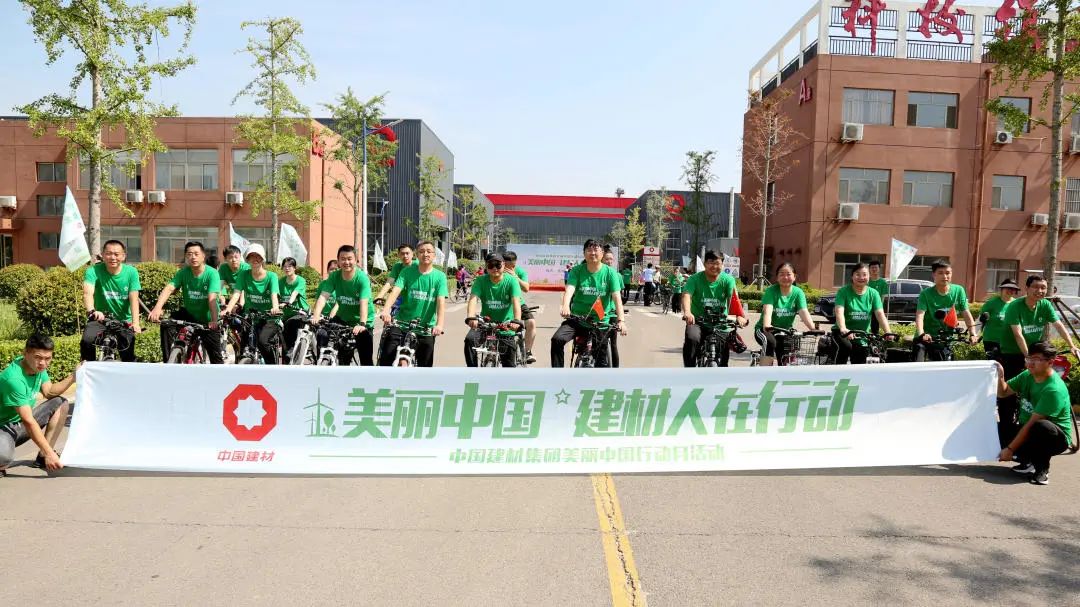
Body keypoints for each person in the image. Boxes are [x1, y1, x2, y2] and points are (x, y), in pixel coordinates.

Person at [995, 342, 1076, 485]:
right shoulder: (1027, 375)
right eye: (1029, 358)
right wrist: (1000, 376)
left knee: (1040, 427)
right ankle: (1027, 460)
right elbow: (1003, 393)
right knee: (996, 429)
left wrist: (1010, 449)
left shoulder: (1053, 389)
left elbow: (1031, 424)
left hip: (1055, 438)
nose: (1030, 363)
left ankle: (1042, 470)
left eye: (1036, 359)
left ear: (1050, 362)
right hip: (1029, 429)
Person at [0, 335, 77, 476]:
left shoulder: (37, 368)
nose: (42, 363)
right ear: (25, 353)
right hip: (3, 427)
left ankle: (42, 457)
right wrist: (50, 453)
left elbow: (49, 392)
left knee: (60, 403)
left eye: (47, 358)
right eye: (38, 357)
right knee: (3, 457)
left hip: (18, 424)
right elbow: (28, 421)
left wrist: (73, 377)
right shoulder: (14, 379)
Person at [551, 239, 626, 368]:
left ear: (602, 253)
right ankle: (558, 374)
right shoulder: (577, 271)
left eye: (596, 250)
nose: (592, 253)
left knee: (601, 362)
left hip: (600, 322)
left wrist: (621, 321)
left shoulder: (610, 273)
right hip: (578, 320)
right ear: (584, 253)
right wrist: (565, 306)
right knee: (557, 340)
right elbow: (570, 289)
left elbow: (616, 298)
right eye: (589, 250)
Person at [149, 241, 223, 364]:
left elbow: (212, 298)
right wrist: (157, 308)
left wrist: (214, 321)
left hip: (208, 319)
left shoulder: (212, 273)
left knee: (216, 360)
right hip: (189, 315)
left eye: (196, 254)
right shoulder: (183, 272)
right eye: (189, 254)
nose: (193, 257)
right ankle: (169, 362)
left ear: (203, 256)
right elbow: (169, 288)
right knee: (166, 324)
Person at [378, 241, 447, 367]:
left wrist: (439, 325)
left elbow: (440, 301)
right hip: (402, 323)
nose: (425, 254)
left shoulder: (440, 277)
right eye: (421, 251)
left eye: (429, 251)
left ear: (434, 255)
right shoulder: (407, 272)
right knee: (386, 358)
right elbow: (395, 291)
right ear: (417, 254)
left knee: (425, 367)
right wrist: (386, 310)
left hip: (425, 328)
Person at [312, 245, 375, 366]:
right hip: (343, 318)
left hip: (362, 321)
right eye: (343, 259)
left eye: (349, 259)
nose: (346, 262)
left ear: (356, 260)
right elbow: (323, 296)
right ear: (338, 261)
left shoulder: (362, 278)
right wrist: (316, 315)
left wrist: (362, 324)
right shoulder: (334, 276)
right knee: (323, 334)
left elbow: (364, 303)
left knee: (366, 360)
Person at [80, 239, 141, 362]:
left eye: (116, 254)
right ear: (103, 255)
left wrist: (136, 323)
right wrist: (92, 311)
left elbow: (134, 299)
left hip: (124, 321)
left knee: (128, 355)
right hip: (100, 319)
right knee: (86, 341)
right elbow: (87, 293)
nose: (113, 257)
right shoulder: (93, 271)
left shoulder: (131, 272)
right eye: (108, 254)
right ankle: (90, 368)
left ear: (123, 256)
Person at [223, 244, 282, 365]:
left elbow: (274, 295)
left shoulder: (272, 276)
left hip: (269, 317)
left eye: (258, 256)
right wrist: (228, 309)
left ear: (263, 258)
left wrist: (275, 308)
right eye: (251, 256)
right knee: (244, 348)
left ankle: (273, 368)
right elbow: (236, 294)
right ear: (247, 259)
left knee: (262, 342)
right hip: (251, 316)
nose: (255, 259)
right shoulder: (243, 274)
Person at [681, 250, 738, 367]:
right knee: (692, 338)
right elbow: (687, 295)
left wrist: (738, 316)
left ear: (722, 265)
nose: (714, 266)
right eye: (711, 262)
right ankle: (688, 372)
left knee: (724, 355)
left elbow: (733, 299)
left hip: (720, 322)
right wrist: (687, 312)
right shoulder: (694, 279)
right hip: (698, 321)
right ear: (705, 263)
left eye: (718, 263)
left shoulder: (728, 280)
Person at [913, 260, 978, 361]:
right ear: (934, 275)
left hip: (946, 339)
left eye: (948, 273)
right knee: (918, 360)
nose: (945, 276)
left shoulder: (959, 290)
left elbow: (966, 313)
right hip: (926, 337)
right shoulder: (925, 294)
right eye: (940, 273)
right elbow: (920, 315)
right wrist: (922, 334)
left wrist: (973, 334)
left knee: (946, 365)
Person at [464, 254, 522, 367]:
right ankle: (472, 372)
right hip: (485, 324)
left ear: (504, 265)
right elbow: (473, 299)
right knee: (469, 340)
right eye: (491, 265)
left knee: (509, 367)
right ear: (486, 266)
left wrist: (516, 320)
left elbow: (516, 302)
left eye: (498, 265)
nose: (494, 268)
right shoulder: (480, 280)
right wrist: (471, 317)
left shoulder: (512, 281)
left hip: (506, 326)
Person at [754, 262, 816, 366]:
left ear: (794, 277)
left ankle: (782, 374)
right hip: (764, 330)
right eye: (781, 274)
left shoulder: (798, 292)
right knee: (770, 342)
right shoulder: (771, 291)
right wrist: (767, 326)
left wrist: (813, 328)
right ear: (777, 277)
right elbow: (768, 311)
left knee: (785, 356)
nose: (785, 277)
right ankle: (764, 371)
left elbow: (803, 312)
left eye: (788, 274)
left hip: (785, 331)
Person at [832, 263, 893, 364]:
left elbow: (880, 314)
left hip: (862, 335)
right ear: (852, 276)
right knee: (846, 348)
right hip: (842, 333)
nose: (861, 277)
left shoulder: (873, 293)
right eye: (857, 274)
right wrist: (843, 328)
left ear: (869, 276)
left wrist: (888, 331)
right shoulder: (843, 291)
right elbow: (839, 311)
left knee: (861, 361)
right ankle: (837, 372)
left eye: (864, 274)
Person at [503, 251, 537, 364]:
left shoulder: (520, 271)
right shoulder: (497, 269)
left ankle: (527, 351)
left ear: (515, 263)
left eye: (512, 266)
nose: (509, 269)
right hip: (502, 302)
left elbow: (526, 288)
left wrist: (515, 276)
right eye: (506, 266)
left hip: (518, 302)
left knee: (531, 322)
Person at [980, 278, 1020, 361]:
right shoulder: (991, 303)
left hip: (1009, 342)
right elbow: (980, 319)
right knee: (995, 364)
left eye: (1013, 289)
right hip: (992, 341)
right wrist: (974, 335)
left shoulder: (1017, 304)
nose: (1010, 290)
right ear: (1002, 289)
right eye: (1008, 288)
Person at [279, 257, 310, 356]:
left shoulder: (300, 280)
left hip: (300, 312)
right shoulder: (281, 282)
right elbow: (275, 294)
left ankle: (293, 351)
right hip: (286, 315)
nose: (287, 268)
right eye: (285, 266)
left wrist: (288, 302)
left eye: (290, 266)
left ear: (295, 268)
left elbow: (295, 293)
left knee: (292, 324)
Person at [602, 249, 623, 368]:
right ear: (602, 259)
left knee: (613, 343)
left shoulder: (617, 275)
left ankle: (615, 371)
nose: (609, 261)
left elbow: (619, 297)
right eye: (607, 259)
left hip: (613, 314)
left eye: (611, 259)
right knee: (600, 342)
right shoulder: (598, 274)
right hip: (600, 313)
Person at [867, 260, 889, 334]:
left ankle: (875, 337)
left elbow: (883, 296)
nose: (874, 269)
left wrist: (880, 307)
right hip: (865, 306)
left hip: (876, 307)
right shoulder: (866, 281)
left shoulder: (883, 282)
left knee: (875, 325)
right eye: (872, 267)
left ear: (879, 269)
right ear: (869, 269)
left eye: (876, 267)